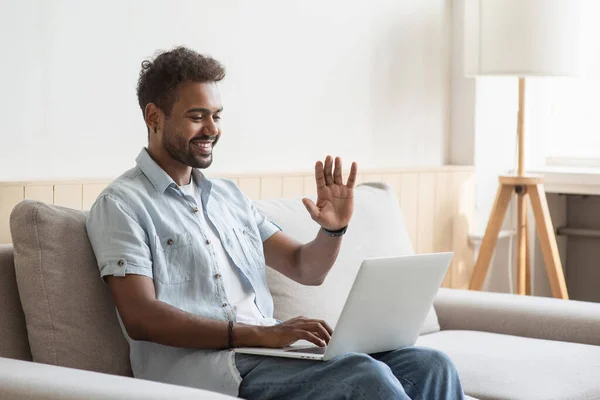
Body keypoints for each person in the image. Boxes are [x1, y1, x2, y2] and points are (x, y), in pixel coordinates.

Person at [86, 46, 464, 400]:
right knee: (363, 377)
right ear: (154, 117)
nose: (212, 129)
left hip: (266, 353)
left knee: (431, 365)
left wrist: (333, 229)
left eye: (216, 116)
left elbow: (305, 267)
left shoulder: (229, 198)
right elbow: (140, 317)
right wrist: (263, 334)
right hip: (204, 367)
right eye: (197, 117)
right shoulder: (122, 205)